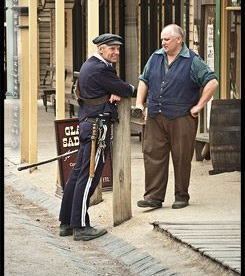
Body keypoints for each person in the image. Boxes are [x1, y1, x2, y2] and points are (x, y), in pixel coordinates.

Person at [59, 33, 134, 241]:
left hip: (89, 125)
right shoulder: (100, 68)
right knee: (89, 176)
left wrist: (111, 92)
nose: (116, 52)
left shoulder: (90, 65)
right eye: (112, 48)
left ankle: (66, 223)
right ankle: (81, 226)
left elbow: (111, 87)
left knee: (77, 175)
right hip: (96, 129)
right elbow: (123, 88)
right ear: (100, 49)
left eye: (118, 49)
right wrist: (124, 90)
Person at [136, 24, 218, 210]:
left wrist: (199, 105)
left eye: (167, 39)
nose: (163, 43)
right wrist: (140, 103)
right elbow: (144, 79)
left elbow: (212, 82)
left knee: (181, 157)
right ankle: (153, 197)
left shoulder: (192, 60)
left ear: (179, 39)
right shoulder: (156, 57)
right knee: (152, 154)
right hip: (156, 115)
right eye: (162, 39)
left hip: (182, 116)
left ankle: (181, 196)